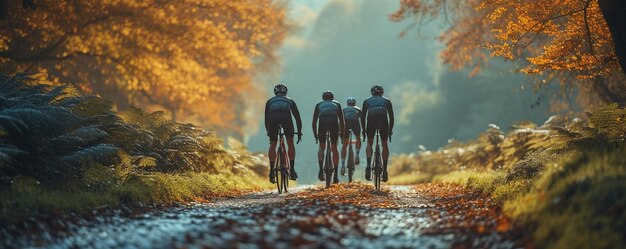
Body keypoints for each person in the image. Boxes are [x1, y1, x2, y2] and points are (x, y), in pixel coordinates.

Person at [265, 84, 302, 183]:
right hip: (286, 119)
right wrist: (299, 132)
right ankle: (292, 170)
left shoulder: (269, 101)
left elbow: (266, 119)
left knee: (273, 145)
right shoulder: (290, 100)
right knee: (290, 143)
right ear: (286, 92)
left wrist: (268, 131)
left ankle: (272, 171)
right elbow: (297, 118)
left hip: (273, 120)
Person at [361, 85, 394, 182]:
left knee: (369, 143)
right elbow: (391, 117)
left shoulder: (366, 101)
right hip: (383, 121)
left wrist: (363, 130)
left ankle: (368, 166)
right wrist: (390, 130)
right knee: (384, 144)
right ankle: (385, 170)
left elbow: (363, 118)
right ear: (382, 92)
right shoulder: (387, 101)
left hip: (371, 121)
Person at [312, 90, 345, 184]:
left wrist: (315, 135)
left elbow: (314, 121)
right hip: (334, 123)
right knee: (334, 147)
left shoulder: (319, 104)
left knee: (322, 147)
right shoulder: (337, 104)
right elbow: (342, 121)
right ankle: (335, 176)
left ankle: (320, 171)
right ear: (332, 98)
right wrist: (342, 134)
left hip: (322, 124)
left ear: (323, 98)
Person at [340, 97, 362, 176]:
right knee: (358, 138)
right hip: (355, 123)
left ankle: (342, 164)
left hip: (346, 124)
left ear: (347, 104)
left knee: (344, 145)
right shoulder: (358, 109)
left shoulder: (344, 110)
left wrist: (340, 132)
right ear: (355, 103)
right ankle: (357, 154)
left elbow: (341, 121)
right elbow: (362, 120)